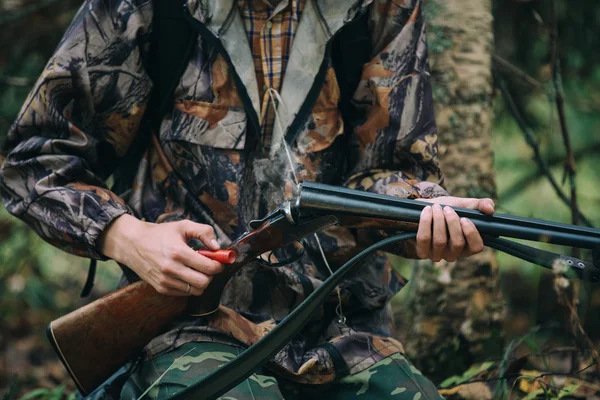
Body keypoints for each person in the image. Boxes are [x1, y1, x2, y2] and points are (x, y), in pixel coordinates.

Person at [0, 0, 495, 398]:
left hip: (339, 331)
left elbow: (391, 171)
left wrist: (422, 214)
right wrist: (125, 236)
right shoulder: (147, 8)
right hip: (188, 326)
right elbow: (31, 159)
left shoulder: (377, 9)